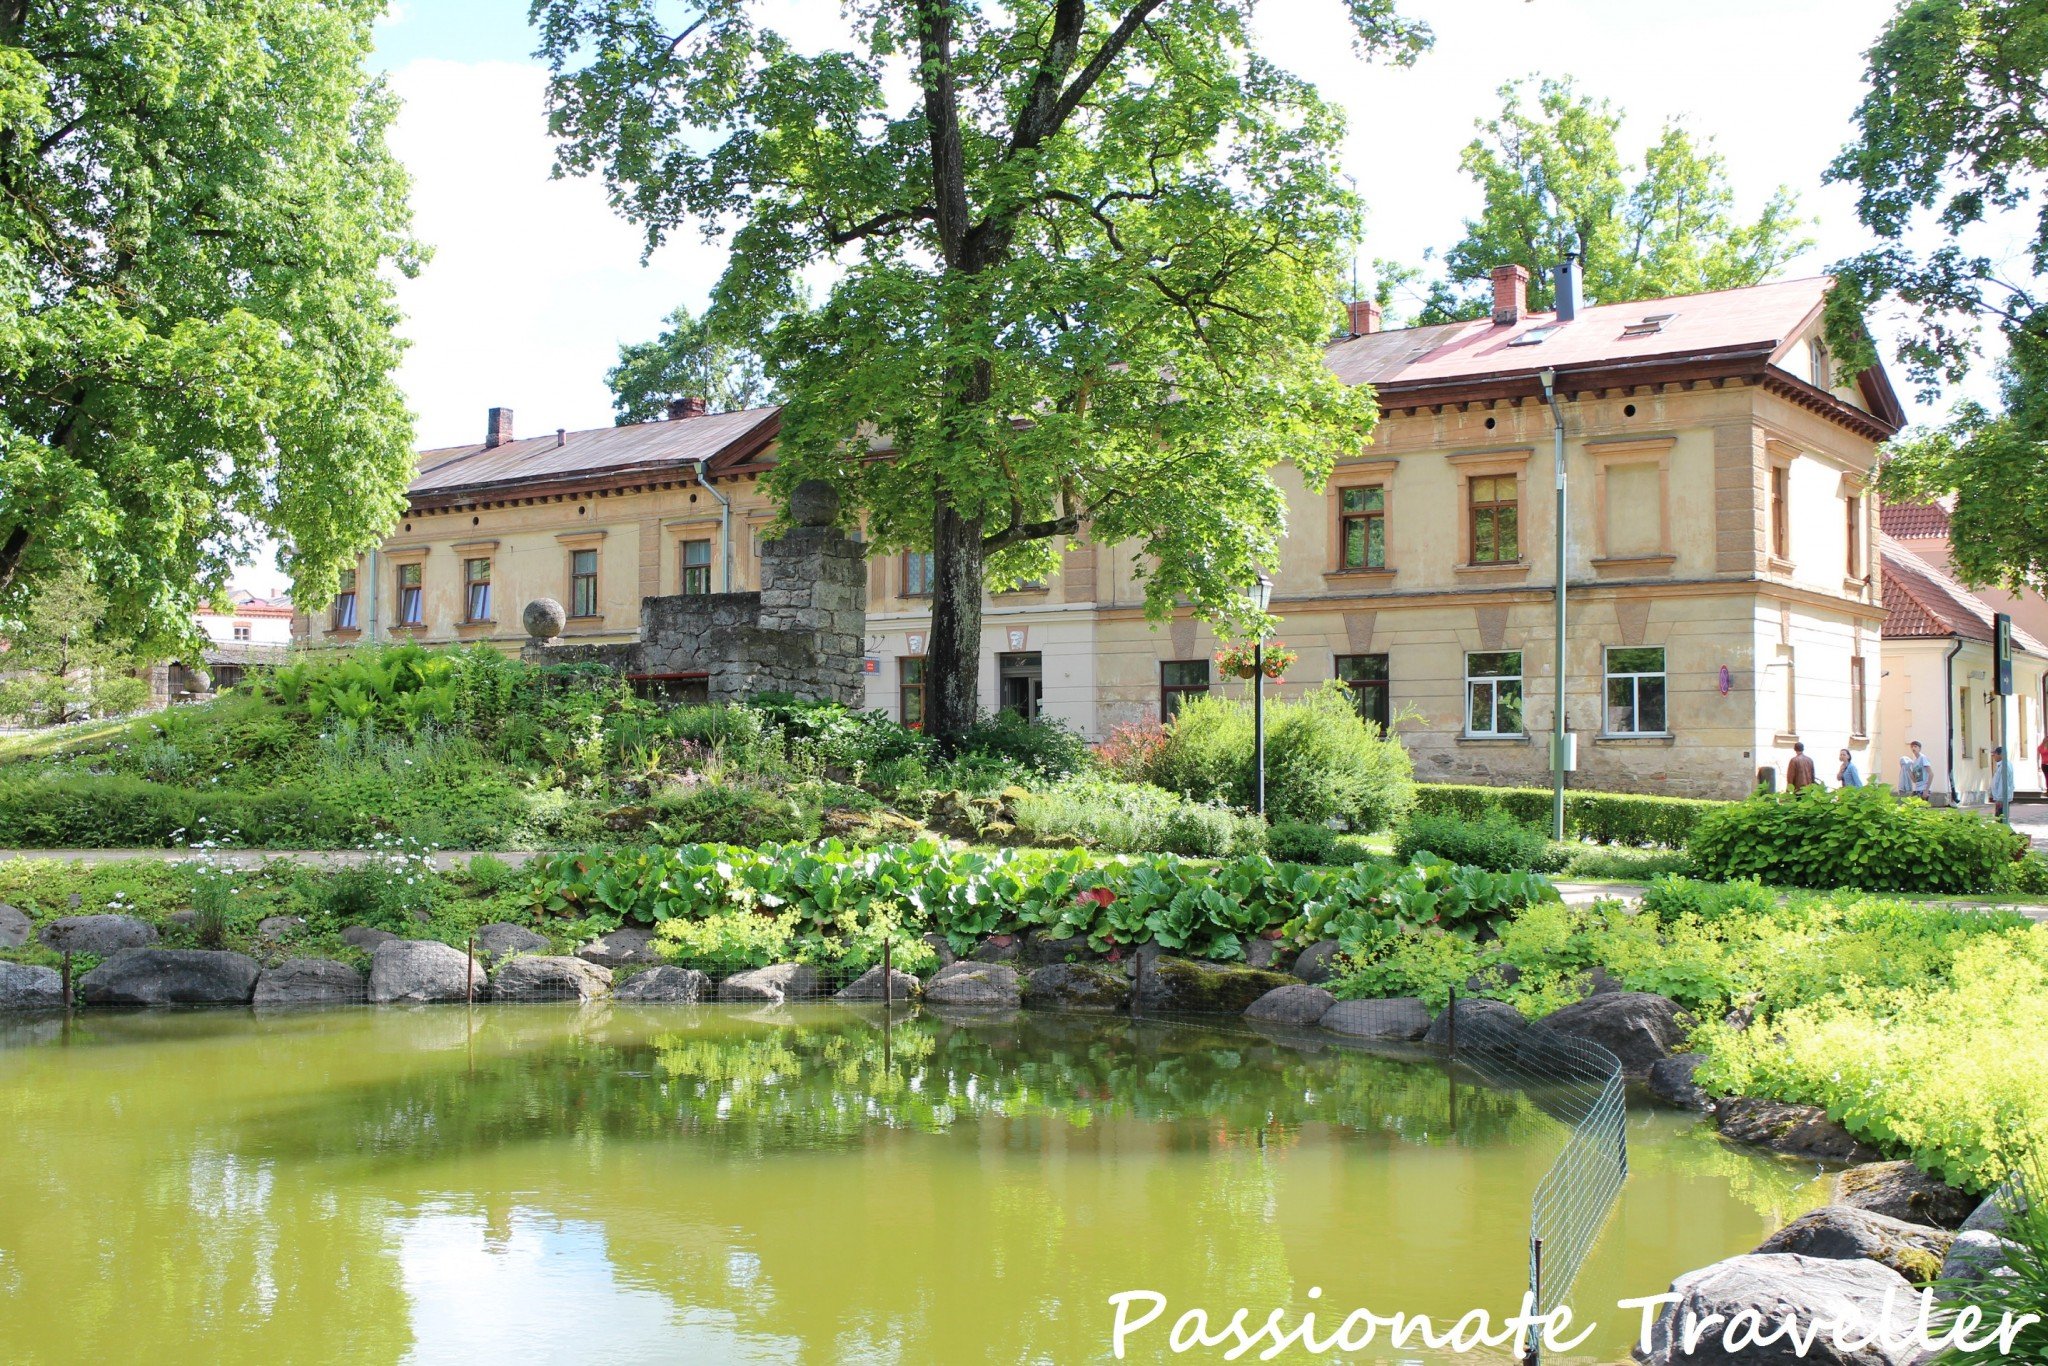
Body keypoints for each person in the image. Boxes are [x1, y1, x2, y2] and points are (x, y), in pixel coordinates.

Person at [1990, 745, 2014, 820]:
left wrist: (2000, 799)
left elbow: (2002, 784)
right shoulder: (2003, 765)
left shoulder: (2004, 766)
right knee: (2001, 818)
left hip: (2002, 798)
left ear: (2000, 754)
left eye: (1995, 754)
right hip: (2002, 797)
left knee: (2001, 819)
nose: (1993, 756)